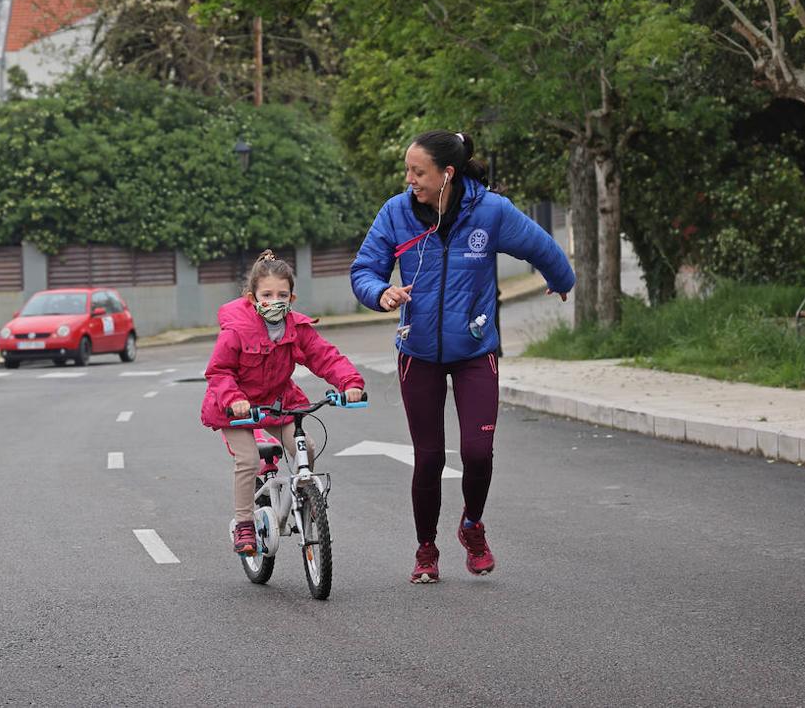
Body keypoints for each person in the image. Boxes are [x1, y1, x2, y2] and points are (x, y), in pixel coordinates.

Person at [351, 131, 575, 583]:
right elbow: (365, 270)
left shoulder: (489, 211)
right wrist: (382, 293)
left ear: (446, 173)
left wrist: (561, 278)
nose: (409, 179)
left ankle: (472, 526)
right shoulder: (396, 213)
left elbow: (540, 245)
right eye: (407, 170)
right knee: (429, 458)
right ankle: (426, 549)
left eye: (419, 171)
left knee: (477, 452)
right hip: (418, 352)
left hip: (475, 349)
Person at [202, 250, 366, 556]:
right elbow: (219, 371)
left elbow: (325, 357)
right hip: (235, 408)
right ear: (252, 298)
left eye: (282, 294)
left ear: (292, 298)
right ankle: (244, 523)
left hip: (278, 401)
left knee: (307, 447)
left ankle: (303, 502)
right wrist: (235, 399)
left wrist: (351, 383)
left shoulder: (296, 328)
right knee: (248, 460)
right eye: (266, 294)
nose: (274, 300)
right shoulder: (236, 330)